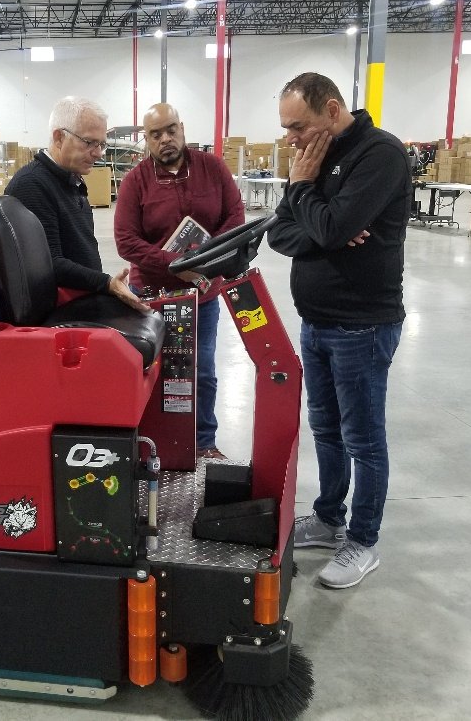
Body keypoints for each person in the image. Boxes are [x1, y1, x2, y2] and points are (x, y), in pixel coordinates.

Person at [266, 72, 410, 589]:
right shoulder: (313, 155)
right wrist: (327, 228)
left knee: (363, 439)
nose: (291, 140)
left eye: (297, 126)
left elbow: (324, 224)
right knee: (326, 430)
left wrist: (307, 195)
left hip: (363, 326)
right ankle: (329, 518)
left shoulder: (380, 155)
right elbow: (278, 232)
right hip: (317, 322)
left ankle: (363, 541)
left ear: (331, 109)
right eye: (285, 129)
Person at [114, 103, 245, 461]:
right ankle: (150, 444)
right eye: (156, 134)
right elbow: (126, 240)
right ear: (147, 139)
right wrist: (176, 265)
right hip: (152, 297)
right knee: (152, 372)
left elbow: (235, 216)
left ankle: (204, 443)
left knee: (201, 372)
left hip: (203, 295)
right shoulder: (135, 181)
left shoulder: (212, 168)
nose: (165, 139)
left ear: (182, 128)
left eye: (171, 129)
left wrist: (205, 262)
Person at [5, 96, 146, 312]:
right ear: (59, 137)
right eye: (89, 142)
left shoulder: (70, 179)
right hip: (59, 313)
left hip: (81, 299)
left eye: (101, 144)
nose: (98, 153)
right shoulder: (32, 185)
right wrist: (106, 284)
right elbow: (49, 263)